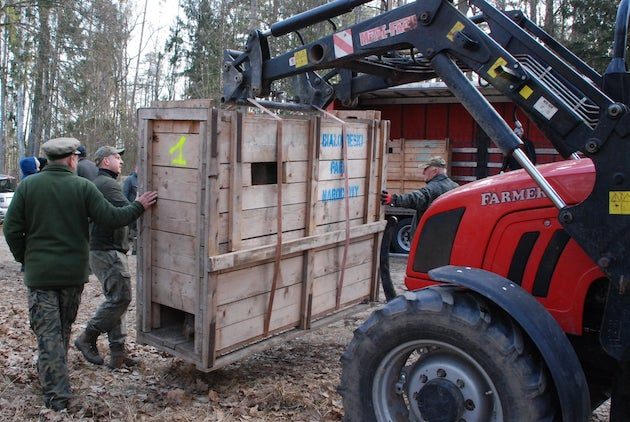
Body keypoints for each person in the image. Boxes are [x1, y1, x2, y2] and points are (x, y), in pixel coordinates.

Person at [3, 137, 157, 411]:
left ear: (48, 160)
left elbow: (12, 230)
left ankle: (55, 389)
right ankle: (56, 390)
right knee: (60, 330)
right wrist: (140, 206)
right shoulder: (82, 187)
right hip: (72, 275)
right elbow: (112, 217)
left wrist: (25, 258)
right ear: (73, 159)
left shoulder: (28, 187)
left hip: (40, 276)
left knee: (48, 334)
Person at [74, 148, 141, 369]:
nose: (121, 160)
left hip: (102, 250)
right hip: (108, 250)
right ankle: (87, 336)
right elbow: (126, 212)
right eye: (117, 157)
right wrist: (141, 204)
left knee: (116, 301)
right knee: (120, 299)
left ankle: (118, 355)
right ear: (105, 161)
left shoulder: (102, 182)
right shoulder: (108, 184)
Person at [381, 156, 459, 238]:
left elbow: (416, 198)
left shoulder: (433, 188)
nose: (423, 172)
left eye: (425, 169)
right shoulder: (456, 187)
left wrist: (393, 199)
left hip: (430, 238)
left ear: (435, 171)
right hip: (448, 237)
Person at [122, 167, 138, 255]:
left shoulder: (143, 179)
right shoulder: (129, 180)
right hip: (131, 210)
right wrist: (130, 208)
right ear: (136, 168)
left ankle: (135, 250)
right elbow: (124, 195)